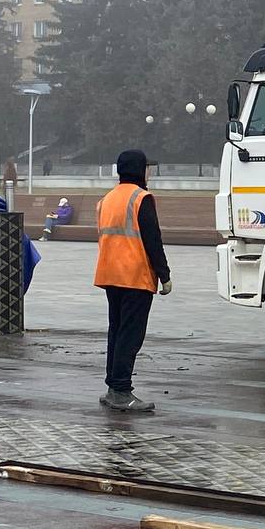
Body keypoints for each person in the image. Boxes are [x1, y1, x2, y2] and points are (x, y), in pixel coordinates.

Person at [94, 150, 171, 413]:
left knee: (116, 331)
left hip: (109, 274)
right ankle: (121, 390)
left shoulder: (107, 199)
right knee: (130, 334)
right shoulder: (141, 198)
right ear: (139, 170)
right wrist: (165, 275)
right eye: (147, 168)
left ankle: (113, 386)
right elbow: (153, 240)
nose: (149, 173)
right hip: (134, 276)